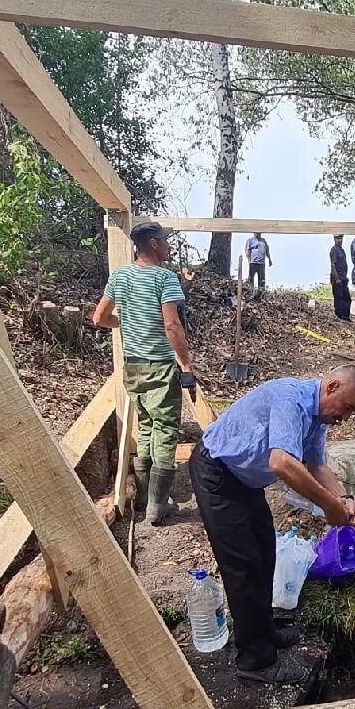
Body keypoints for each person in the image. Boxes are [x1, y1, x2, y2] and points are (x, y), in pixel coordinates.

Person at [189, 364, 355, 684]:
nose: (345, 417)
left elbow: (315, 464)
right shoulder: (291, 400)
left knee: (265, 550)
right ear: (331, 386)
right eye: (346, 407)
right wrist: (327, 505)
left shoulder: (318, 418)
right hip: (217, 473)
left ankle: (264, 630)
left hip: (244, 480)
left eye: (353, 412)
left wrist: (342, 498)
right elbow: (282, 463)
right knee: (243, 565)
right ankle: (255, 661)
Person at [92, 220, 198, 526]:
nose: (168, 246)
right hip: (161, 366)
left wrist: (125, 324)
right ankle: (156, 505)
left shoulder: (120, 276)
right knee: (165, 431)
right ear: (153, 243)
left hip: (134, 366)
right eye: (165, 242)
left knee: (148, 426)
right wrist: (186, 365)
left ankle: (142, 498)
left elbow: (99, 318)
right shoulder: (164, 278)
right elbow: (172, 325)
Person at [328, 234, 352, 322]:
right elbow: (333, 265)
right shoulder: (334, 250)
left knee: (347, 298)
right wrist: (337, 278)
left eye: (341, 238)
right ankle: (340, 316)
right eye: (337, 238)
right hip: (337, 278)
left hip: (343, 277)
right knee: (339, 297)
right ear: (334, 239)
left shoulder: (341, 250)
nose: (339, 240)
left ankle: (346, 316)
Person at [244, 231, 271, 296]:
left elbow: (267, 250)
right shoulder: (250, 240)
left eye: (258, 233)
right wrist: (249, 261)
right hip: (253, 262)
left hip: (261, 263)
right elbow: (247, 251)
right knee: (251, 278)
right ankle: (250, 293)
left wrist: (269, 259)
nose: (257, 234)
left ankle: (261, 294)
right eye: (256, 233)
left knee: (261, 279)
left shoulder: (263, 241)